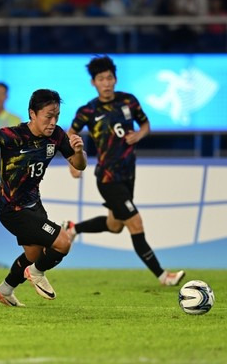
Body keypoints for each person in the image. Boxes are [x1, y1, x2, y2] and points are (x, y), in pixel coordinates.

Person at [0, 89, 87, 306]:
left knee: (33, 254)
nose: (53, 121)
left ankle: (4, 291)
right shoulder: (14, 136)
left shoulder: (57, 135)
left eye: (56, 116)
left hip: (34, 204)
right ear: (32, 113)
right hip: (12, 209)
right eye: (48, 116)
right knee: (63, 243)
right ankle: (37, 273)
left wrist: (78, 151)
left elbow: (79, 165)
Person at [65, 55, 185, 286]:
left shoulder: (129, 101)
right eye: (101, 79)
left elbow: (146, 124)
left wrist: (138, 135)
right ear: (94, 83)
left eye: (109, 78)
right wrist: (73, 161)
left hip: (129, 174)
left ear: (115, 79)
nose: (106, 83)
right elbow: (70, 134)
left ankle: (73, 228)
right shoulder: (87, 111)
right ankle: (163, 276)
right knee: (135, 223)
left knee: (115, 225)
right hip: (108, 178)